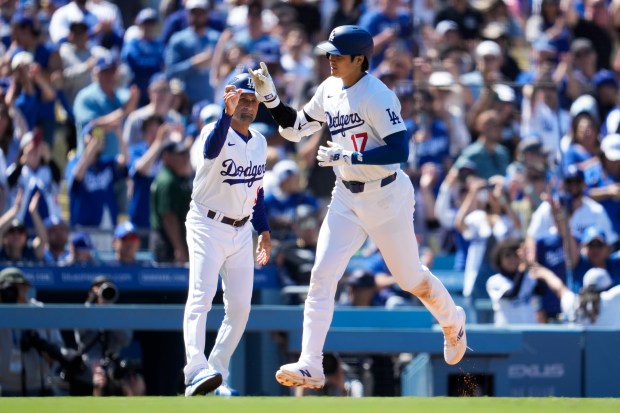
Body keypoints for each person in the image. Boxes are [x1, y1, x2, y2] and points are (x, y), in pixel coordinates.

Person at [248, 25, 467, 390]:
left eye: (337, 54)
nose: (330, 59)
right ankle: (311, 364)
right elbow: (296, 129)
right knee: (322, 274)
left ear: (359, 59)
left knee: (410, 278)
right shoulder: (329, 88)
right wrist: (271, 100)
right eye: (329, 53)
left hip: (386, 196)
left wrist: (351, 154)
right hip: (346, 196)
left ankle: (452, 319)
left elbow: (400, 150)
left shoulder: (377, 94)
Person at [182, 72, 271, 397]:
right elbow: (210, 149)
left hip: (241, 229)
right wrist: (225, 113)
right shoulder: (215, 131)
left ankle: (216, 374)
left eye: (251, 100)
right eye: (241, 99)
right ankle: (194, 370)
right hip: (206, 224)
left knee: (240, 309)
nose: (247, 106)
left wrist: (263, 229)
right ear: (230, 99)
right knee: (201, 298)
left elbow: (257, 191)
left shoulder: (259, 141)